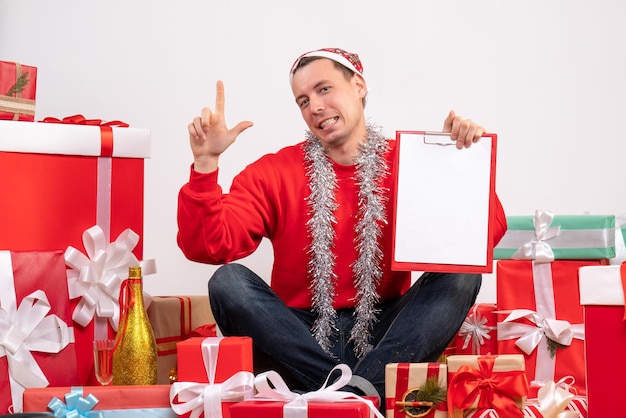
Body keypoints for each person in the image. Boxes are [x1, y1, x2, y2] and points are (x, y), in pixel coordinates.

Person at [177, 48, 507, 406]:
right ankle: (359, 396)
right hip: (298, 335)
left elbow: (483, 237)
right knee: (228, 282)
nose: (314, 107)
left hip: (386, 333)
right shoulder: (273, 171)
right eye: (302, 100)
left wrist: (451, 163)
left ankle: (339, 396)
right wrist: (205, 165)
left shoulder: (409, 163)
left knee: (462, 276)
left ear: (359, 85)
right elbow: (208, 246)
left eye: (323, 89)